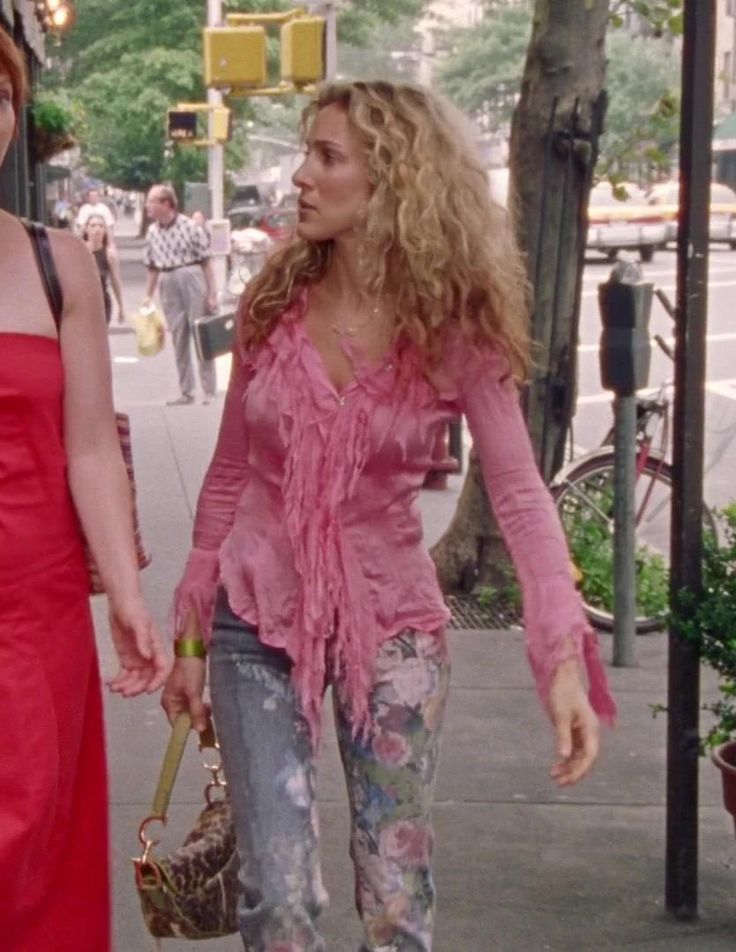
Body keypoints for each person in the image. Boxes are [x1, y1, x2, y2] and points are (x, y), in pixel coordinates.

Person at [162, 80, 617, 952]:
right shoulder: (273, 304)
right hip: (254, 622)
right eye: (307, 153)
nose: (300, 176)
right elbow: (226, 480)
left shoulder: (453, 327)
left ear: (394, 185)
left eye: (328, 158)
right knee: (281, 897)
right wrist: (189, 639)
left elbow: (520, 496)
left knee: (396, 897)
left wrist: (563, 657)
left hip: (393, 628)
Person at [0, 31, 170, 952]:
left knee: (36, 860)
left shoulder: (56, 261)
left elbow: (91, 448)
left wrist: (129, 597)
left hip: (35, 611)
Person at [142, 184, 218, 405]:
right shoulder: (153, 231)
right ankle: (187, 391)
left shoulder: (189, 226)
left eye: (152, 202)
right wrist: (147, 295)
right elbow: (152, 266)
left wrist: (211, 293)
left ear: (166, 204)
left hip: (191, 274)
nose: (148, 206)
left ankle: (209, 390)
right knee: (178, 335)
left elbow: (206, 262)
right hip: (167, 279)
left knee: (200, 332)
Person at [82, 213, 126, 325]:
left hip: (102, 302)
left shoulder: (109, 254)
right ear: (86, 229)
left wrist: (121, 306)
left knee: (100, 339)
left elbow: (115, 280)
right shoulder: (79, 251)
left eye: (101, 226)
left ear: (105, 230)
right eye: (93, 225)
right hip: (82, 303)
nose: (97, 229)